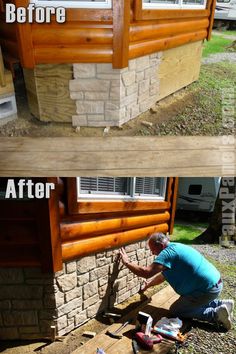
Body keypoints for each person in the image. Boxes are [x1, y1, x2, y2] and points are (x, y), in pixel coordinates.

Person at [119, 232, 234, 330]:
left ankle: (216, 314)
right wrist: (148, 285)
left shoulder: (167, 254)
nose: (152, 253)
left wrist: (127, 262)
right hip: (215, 285)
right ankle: (222, 304)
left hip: (206, 290)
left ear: (160, 245)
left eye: (153, 249)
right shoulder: (177, 247)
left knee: (177, 310)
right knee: (190, 300)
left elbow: (146, 272)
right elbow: (163, 276)